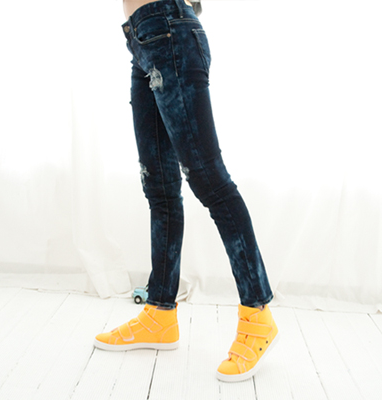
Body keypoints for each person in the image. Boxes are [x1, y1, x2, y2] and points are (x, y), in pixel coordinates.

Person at [94, 0, 279, 382]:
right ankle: (160, 313)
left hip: (168, 31)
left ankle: (257, 314)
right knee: (159, 187)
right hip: (143, 40)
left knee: (210, 180)